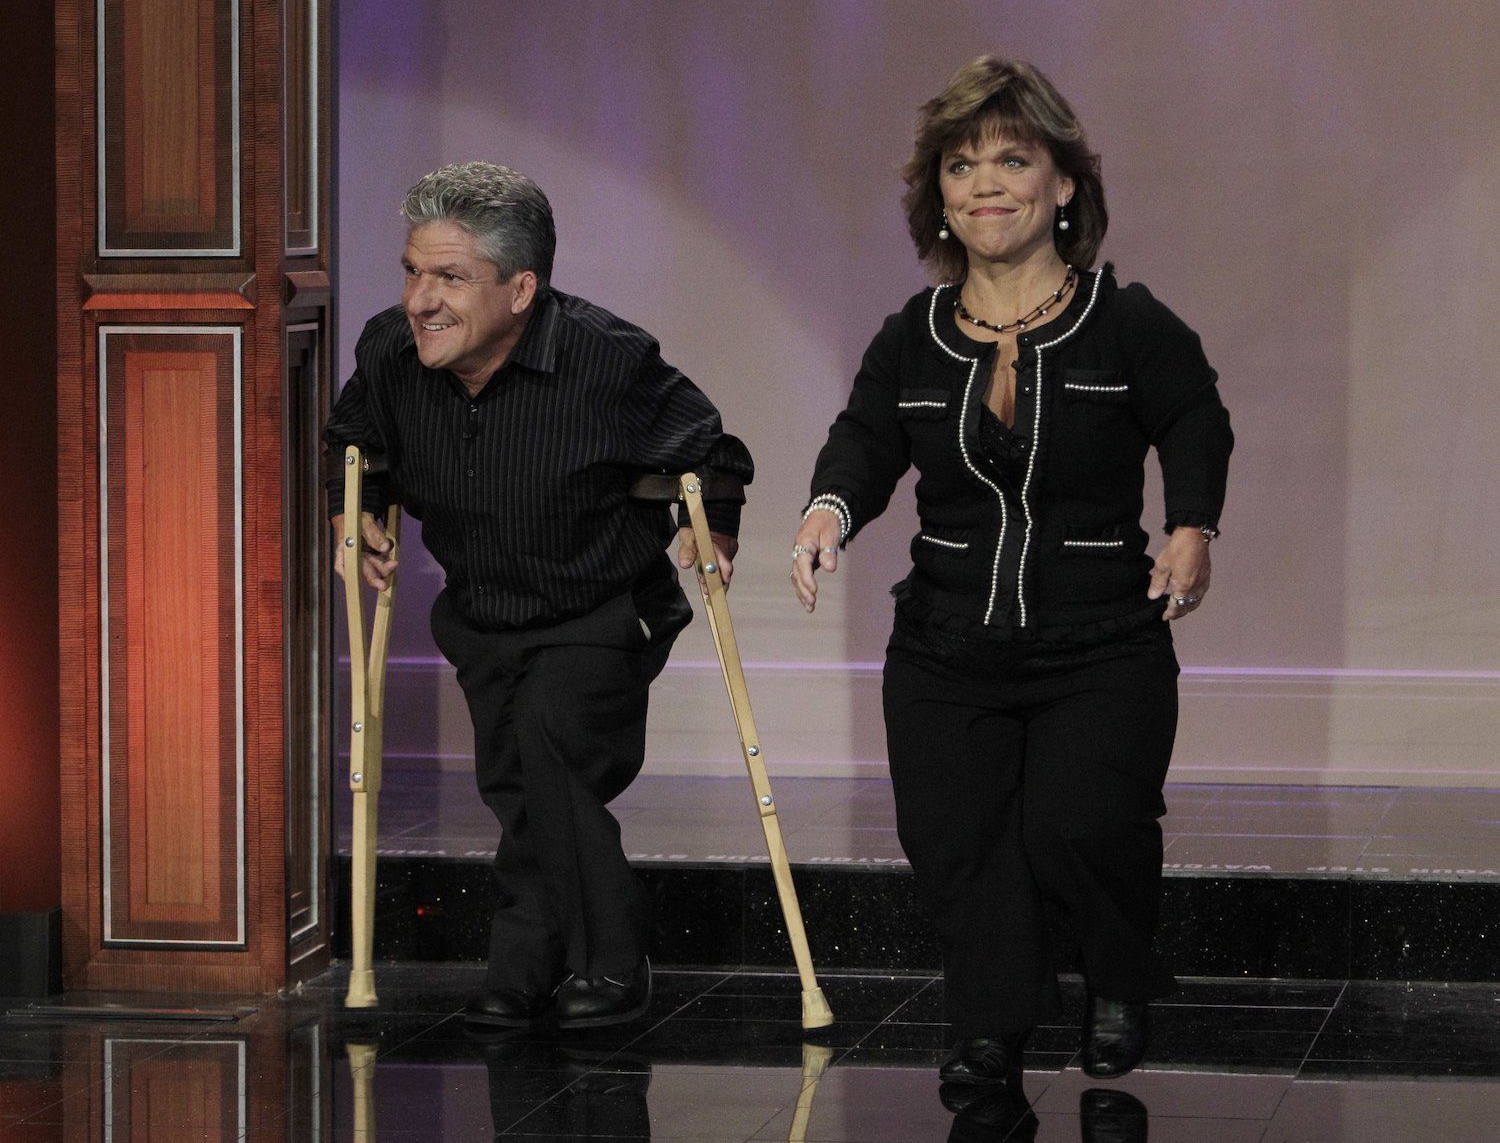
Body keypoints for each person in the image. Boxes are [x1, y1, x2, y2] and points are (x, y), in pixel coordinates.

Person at [792, 56, 1232, 1089]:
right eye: (961, 164)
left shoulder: (1126, 323)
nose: (985, 182)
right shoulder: (915, 335)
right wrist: (826, 509)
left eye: (1012, 158)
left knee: (1081, 825)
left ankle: (1117, 978)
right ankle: (990, 1024)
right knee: (960, 841)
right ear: (937, 195)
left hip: (1101, 641)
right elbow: (863, 441)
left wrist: (1193, 526)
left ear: (1064, 183)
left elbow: (1195, 417)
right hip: (945, 643)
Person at [326, 161, 753, 1031]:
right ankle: (526, 969)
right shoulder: (389, 352)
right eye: (412, 271)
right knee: (517, 781)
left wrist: (710, 523)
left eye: (450, 277)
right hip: (485, 610)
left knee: (552, 747)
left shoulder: (605, 357)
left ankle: (610, 963)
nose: (420, 300)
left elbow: (710, 447)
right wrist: (358, 507)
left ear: (521, 288)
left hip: (601, 603)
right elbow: (354, 437)